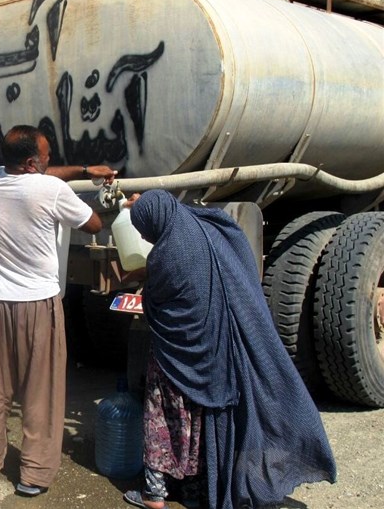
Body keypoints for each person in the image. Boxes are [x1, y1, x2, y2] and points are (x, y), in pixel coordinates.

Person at [121, 190, 336, 509]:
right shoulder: (202, 226)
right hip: (211, 354)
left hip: (173, 357)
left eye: (143, 228)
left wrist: (144, 284)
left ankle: (155, 494)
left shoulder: (165, 256)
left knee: (161, 420)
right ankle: (193, 490)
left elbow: (156, 308)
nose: (143, 235)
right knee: (195, 423)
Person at [0, 125, 117, 496]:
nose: (51, 159)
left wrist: (85, 171)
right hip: (37, 304)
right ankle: (33, 475)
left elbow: (40, 178)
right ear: (32, 162)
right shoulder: (53, 191)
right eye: (47, 154)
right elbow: (93, 223)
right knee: (41, 393)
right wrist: (107, 196)